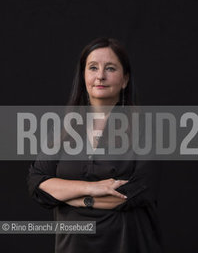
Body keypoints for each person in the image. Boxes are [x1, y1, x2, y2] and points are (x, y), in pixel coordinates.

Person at [27, 37, 162, 253]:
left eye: (110, 68)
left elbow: (132, 194)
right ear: (83, 77)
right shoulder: (63, 131)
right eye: (93, 68)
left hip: (127, 245)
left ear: (125, 79)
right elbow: (37, 183)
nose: (100, 76)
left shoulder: (145, 132)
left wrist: (69, 195)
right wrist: (90, 188)